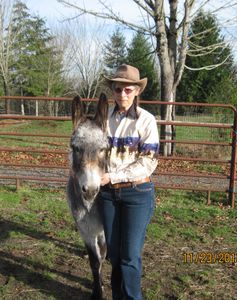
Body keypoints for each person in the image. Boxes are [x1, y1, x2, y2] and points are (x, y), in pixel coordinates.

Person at [99, 64, 159, 300]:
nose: (122, 94)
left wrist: (112, 177)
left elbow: (148, 162)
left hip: (137, 193)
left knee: (130, 255)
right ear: (113, 91)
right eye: (117, 89)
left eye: (128, 90)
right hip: (107, 195)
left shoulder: (146, 121)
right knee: (114, 254)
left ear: (136, 91)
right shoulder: (104, 121)